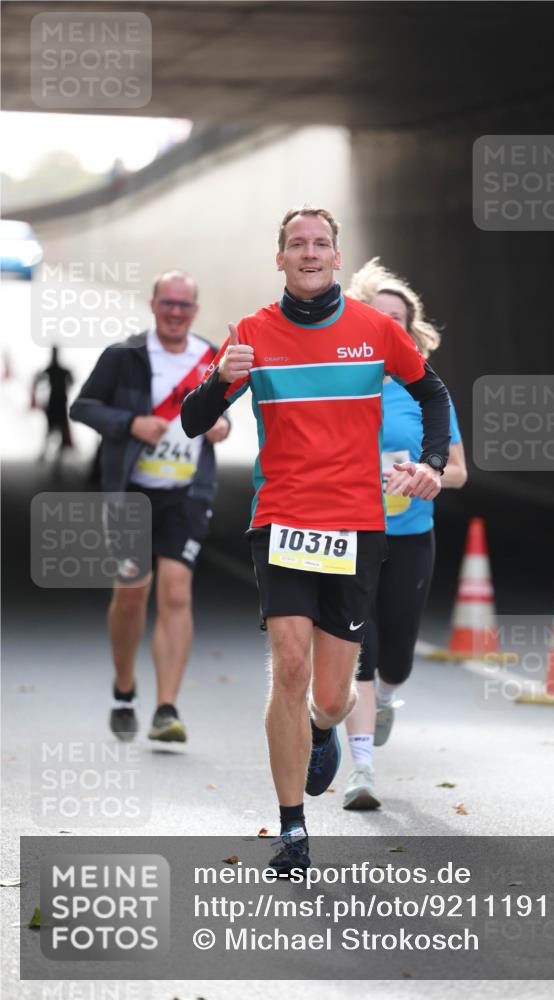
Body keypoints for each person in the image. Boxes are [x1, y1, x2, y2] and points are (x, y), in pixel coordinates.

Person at [181, 207, 451, 873]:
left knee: (330, 695)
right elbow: (192, 420)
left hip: (355, 525)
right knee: (290, 665)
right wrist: (220, 380)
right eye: (296, 244)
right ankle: (292, 828)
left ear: (336, 257)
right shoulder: (251, 334)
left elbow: (433, 393)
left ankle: (322, 727)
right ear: (279, 258)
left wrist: (431, 464)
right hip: (281, 521)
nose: (309, 252)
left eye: (320, 243)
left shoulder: (375, 330)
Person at [70, 271, 231, 743]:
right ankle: (124, 689)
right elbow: (83, 407)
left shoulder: (210, 357)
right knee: (131, 592)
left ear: (195, 310)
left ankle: (166, 708)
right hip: (131, 493)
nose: (176, 312)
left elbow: (223, 416)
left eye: (184, 304)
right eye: (168, 303)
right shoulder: (125, 356)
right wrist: (131, 423)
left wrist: (221, 428)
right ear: (153, 305)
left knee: (176, 592)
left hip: (187, 494)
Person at [342, 258, 467, 810]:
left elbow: (458, 471)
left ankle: (388, 697)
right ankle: (361, 770)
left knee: (396, 657)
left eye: (396, 320)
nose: (386, 326)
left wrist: (426, 473)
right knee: (358, 651)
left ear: (408, 332)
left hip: (411, 535)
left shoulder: (426, 391)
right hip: (351, 535)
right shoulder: (340, 384)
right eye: (377, 316)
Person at [31, 346, 74, 461]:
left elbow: (71, 380)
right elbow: (38, 381)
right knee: (51, 430)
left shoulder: (57, 370)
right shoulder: (53, 370)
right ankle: (50, 454)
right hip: (55, 403)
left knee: (57, 430)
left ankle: (55, 456)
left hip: (59, 403)